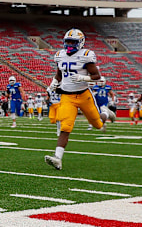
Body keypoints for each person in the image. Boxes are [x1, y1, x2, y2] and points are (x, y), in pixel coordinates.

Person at [44, 29, 115, 170]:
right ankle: (58, 158)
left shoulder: (86, 56)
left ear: (80, 43)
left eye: (73, 42)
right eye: (67, 42)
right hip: (67, 96)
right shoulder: (60, 55)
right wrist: (53, 84)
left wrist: (83, 78)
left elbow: (97, 76)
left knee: (98, 125)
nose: (69, 45)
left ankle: (106, 113)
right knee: (65, 126)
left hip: (84, 95)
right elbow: (59, 74)